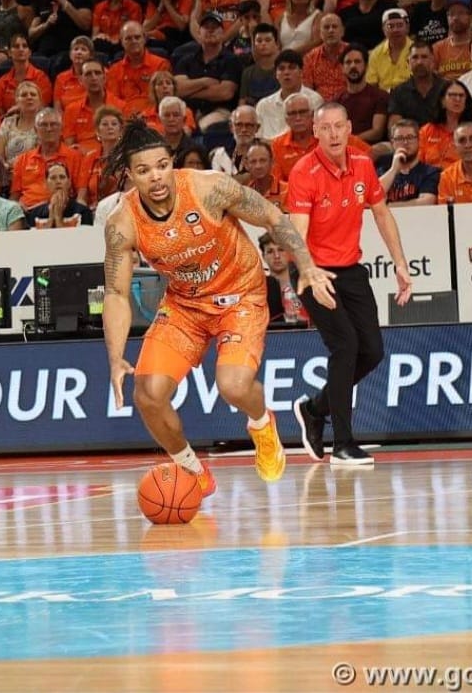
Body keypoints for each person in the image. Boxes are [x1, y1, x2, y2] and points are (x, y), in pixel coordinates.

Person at [101, 119, 337, 496]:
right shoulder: (122, 222)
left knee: (233, 386)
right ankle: (193, 471)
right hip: (185, 305)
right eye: (144, 171)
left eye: (162, 166)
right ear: (130, 175)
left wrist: (306, 265)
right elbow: (115, 293)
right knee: (147, 395)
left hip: (240, 295)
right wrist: (115, 358)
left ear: (172, 162)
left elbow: (272, 216)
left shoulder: (208, 187)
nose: (156, 177)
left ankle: (262, 425)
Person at [288, 102, 412, 466]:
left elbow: (381, 213)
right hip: (313, 270)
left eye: (339, 126)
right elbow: (296, 234)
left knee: (372, 351)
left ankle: (314, 408)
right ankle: (342, 443)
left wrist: (400, 263)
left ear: (348, 128)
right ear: (315, 132)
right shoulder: (304, 171)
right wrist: (310, 274)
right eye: (325, 128)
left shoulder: (362, 163)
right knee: (345, 346)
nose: (333, 134)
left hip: (350, 269)